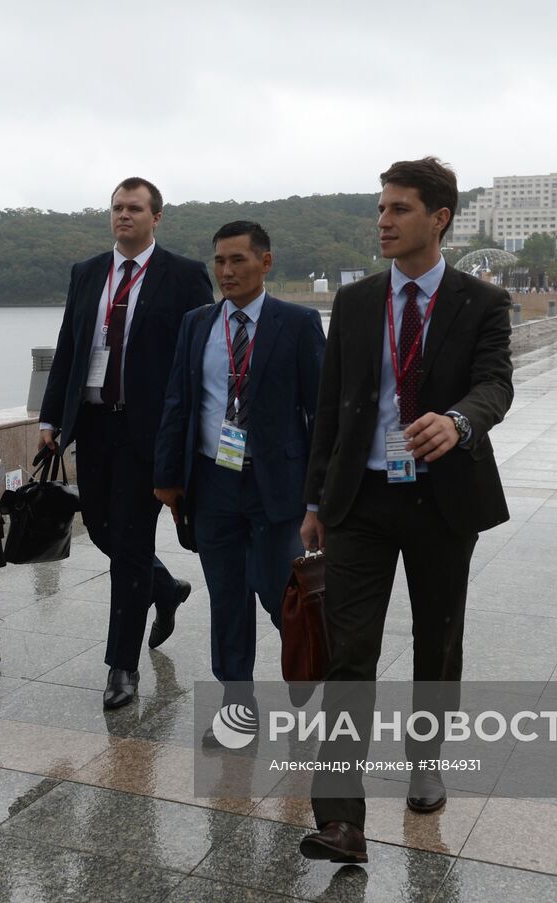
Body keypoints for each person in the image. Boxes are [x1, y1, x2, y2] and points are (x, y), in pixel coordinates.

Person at [296, 157, 514, 864]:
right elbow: (329, 406)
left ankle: (427, 759)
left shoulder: (479, 302)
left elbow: (495, 385)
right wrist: (314, 499)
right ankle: (340, 820)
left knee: (436, 641)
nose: (383, 221)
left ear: (439, 218)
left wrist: (458, 420)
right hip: (360, 498)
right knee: (349, 654)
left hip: (443, 498)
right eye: (381, 208)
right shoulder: (357, 303)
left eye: (398, 209)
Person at [38, 177, 214, 710]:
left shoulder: (183, 276)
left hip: (150, 432)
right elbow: (70, 346)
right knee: (100, 528)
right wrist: (51, 418)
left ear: (156, 216)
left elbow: (199, 358)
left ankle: (122, 667)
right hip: (93, 426)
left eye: (134, 208)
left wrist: (191, 434)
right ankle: (165, 588)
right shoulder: (88, 272)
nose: (123, 216)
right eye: (117, 208)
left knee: (131, 547)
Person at [152, 221, 325, 728]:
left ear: (265, 262)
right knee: (227, 597)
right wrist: (168, 476)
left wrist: (319, 496)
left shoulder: (296, 322)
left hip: (277, 484)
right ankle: (235, 704)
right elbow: (177, 402)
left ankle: (303, 667)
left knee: (280, 590)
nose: (226, 272)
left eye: (238, 261)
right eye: (220, 262)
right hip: (213, 482)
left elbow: (319, 410)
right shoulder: (197, 323)